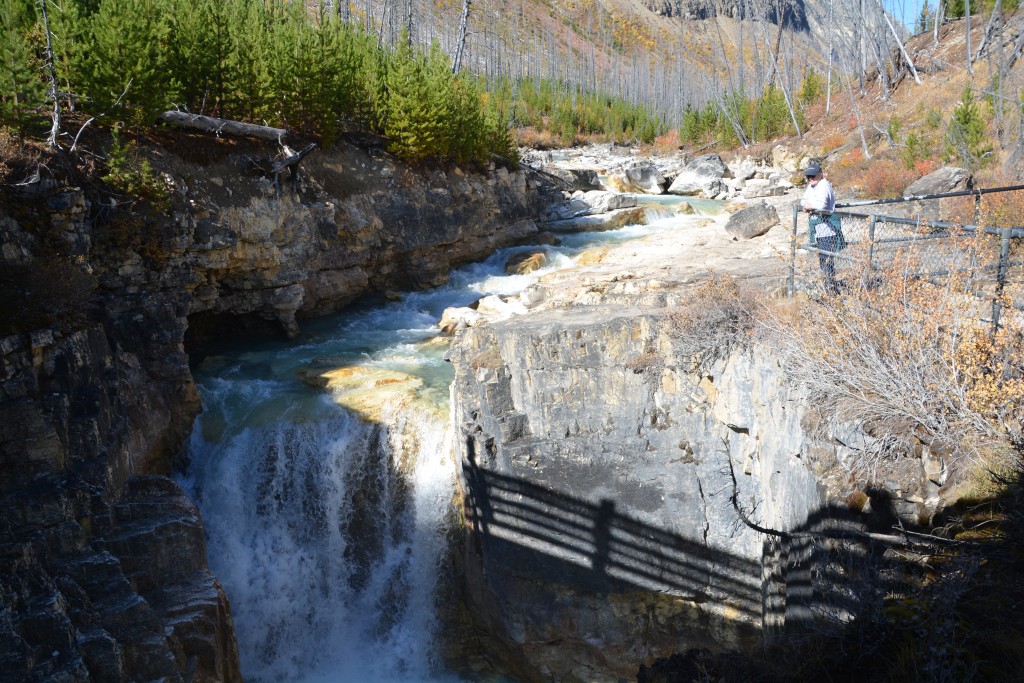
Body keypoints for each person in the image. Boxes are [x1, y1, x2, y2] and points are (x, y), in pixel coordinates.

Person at [800, 163, 841, 295]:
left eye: (813, 176)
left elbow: (822, 205)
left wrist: (809, 206)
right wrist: (808, 205)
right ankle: (829, 289)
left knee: (827, 262)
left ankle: (832, 292)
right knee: (823, 261)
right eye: (808, 176)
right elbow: (803, 201)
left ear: (820, 174)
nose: (811, 178)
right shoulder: (811, 186)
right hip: (819, 231)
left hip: (828, 230)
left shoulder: (823, 185)